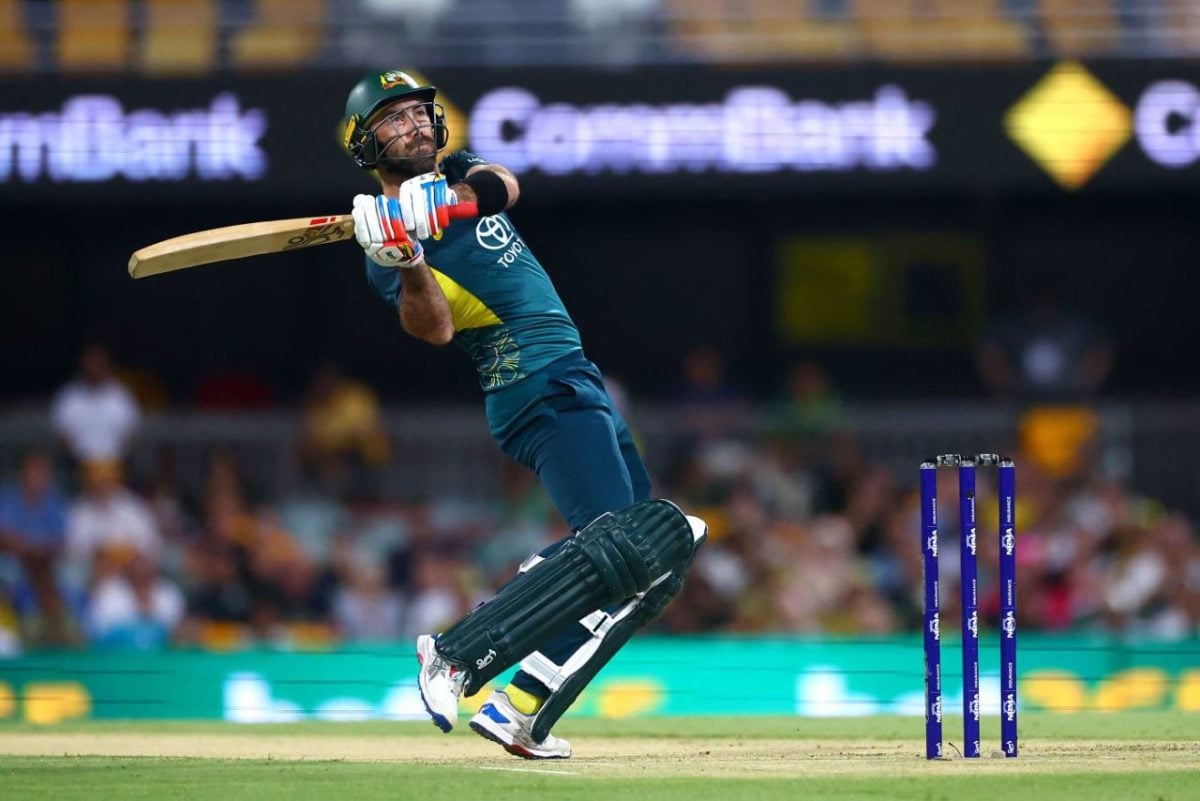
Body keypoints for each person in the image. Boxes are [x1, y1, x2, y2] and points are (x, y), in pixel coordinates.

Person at [342, 69, 706, 759]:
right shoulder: (380, 247)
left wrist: (443, 207)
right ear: (367, 143)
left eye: (420, 111)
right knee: (639, 543)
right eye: (394, 119)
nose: (415, 125)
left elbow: (507, 185)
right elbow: (434, 328)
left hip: (574, 375)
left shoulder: (459, 174)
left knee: (656, 558)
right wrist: (408, 257)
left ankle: (523, 707)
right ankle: (455, 656)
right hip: (534, 384)